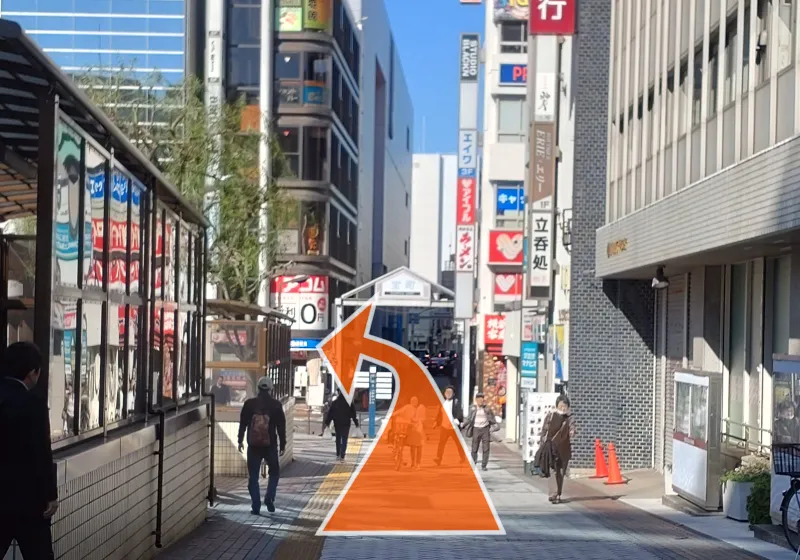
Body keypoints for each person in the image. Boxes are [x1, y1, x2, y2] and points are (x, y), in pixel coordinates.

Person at [0, 342, 58, 560]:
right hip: (29, 502)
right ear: (32, 373)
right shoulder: (33, 403)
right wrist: (50, 495)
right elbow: (41, 452)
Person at [237, 376, 286, 515]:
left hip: (253, 445)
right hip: (270, 445)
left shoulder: (249, 404)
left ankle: (256, 506)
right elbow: (281, 427)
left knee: (253, 477)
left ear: (258, 388)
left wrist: (240, 440)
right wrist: (283, 444)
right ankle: (269, 497)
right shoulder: (276, 405)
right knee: (274, 473)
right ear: (271, 389)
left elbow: (243, 424)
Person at [539, 395, 576, 504]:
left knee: (561, 472)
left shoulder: (570, 417)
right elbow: (544, 430)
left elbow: (572, 428)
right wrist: (542, 443)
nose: (563, 408)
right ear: (557, 406)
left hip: (564, 449)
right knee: (553, 470)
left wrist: (572, 432)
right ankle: (553, 494)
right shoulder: (551, 415)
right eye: (561, 405)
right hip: (551, 448)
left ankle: (558, 494)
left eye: (565, 406)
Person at [463, 392, 499, 471]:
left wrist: (494, 426)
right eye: (479, 399)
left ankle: (484, 465)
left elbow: (492, 419)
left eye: (482, 399)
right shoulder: (473, 409)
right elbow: (469, 419)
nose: (480, 401)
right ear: (476, 400)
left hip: (485, 429)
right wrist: (463, 425)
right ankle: (473, 464)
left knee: (486, 448)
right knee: (474, 448)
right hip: (476, 429)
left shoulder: (487, 409)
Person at [322, 390, 360, 461]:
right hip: (346, 423)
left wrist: (327, 423)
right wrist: (356, 423)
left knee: (338, 438)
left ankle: (338, 454)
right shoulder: (349, 403)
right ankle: (342, 454)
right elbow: (353, 414)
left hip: (337, 423)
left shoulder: (335, 403)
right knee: (345, 438)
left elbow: (330, 414)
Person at [433, 386, 465, 466]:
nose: (448, 394)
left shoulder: (456, 402)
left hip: (454, 428)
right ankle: (438, 459)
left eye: (450, 392)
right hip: (444, 427)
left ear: (453, 394)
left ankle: (463, 458)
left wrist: (458, 420)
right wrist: (436, 422)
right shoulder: (442, 402)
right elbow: (439, 414)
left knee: (458, 444)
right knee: (441, 444)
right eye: (447, 392)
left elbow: (459, 413)